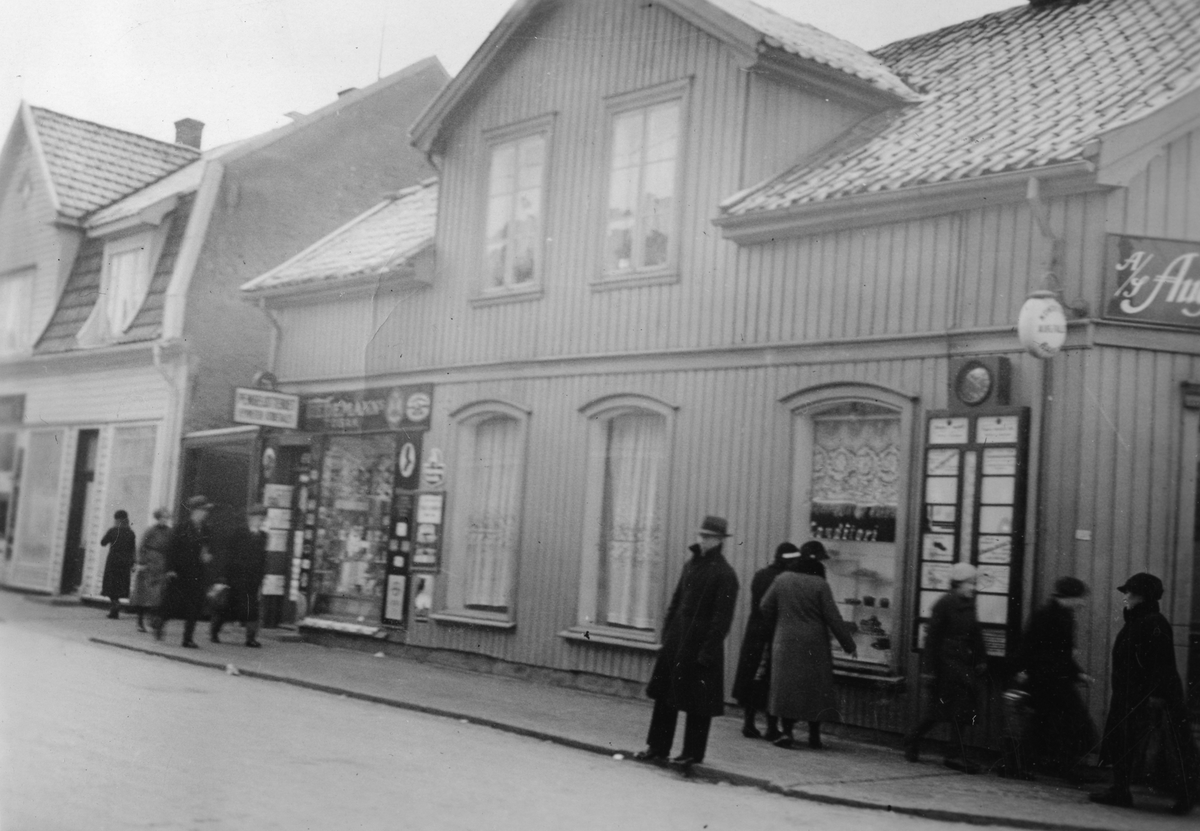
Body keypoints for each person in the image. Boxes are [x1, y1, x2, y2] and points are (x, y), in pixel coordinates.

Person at [635, 515, 740, 768]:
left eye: (708, 537)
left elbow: (721, 620)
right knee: (665, 697)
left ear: (719, 541)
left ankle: (692, 753)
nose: (703, 540)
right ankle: (657, 748)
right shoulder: (690, 565)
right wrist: (667, 634)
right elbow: (676, 601)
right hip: (677, 641)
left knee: (698, 703)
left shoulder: (725, 574)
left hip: (702, 646)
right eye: (701, 535)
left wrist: (706, 652)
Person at [1090, 573, 1199, 815]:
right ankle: (1120, 791)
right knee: (1124, 743)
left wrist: (1156, 696)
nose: (1125, 597)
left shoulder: (1153, 623)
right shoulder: (1140, 621)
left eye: (1130, 593)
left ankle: (1185, 797)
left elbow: (1161, 665)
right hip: (1131, 696)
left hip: (1146, 698)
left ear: (1143, 596)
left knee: (1167, 750)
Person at [760, 539, 856, 749]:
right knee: (815, 690)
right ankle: (814, 736)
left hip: (784, 641)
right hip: (814, 644)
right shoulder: (820, 585)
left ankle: (787, 733)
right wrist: (848, 644)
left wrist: (780, 623)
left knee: (786, 688)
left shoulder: (782, 579)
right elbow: (834, 618)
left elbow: (765, 606)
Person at [904, 561, 988, 773]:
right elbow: (931, 639)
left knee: (960, 709)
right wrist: (928, 670)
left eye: (974, 583)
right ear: (958, 583)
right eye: (970, 583)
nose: (973, 587)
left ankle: (952, 754)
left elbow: (976, 633)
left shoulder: (969, 603)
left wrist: (981, 659)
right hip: (945, 664)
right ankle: (916, 740)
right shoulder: (944, 604)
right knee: (940, 711)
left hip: (962, 662)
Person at [1013, 576, 1096, 780]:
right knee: (1071, 722)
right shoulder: (1047, 616)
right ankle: (1061, 768)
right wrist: (1022, 671)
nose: (1083, 602)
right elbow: (1029, 646)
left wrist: (1078, 673)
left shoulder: (1062, 615)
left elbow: (1063, 653)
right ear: (1070, 597)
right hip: (1046, 680)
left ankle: (1027, 766)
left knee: (1045, 723)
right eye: (1081, 598)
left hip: (1054, 679)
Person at [731, 542, 797, 740]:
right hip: (774, 633)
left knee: (752, 676)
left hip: (754, 632)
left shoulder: (760, 575)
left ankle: (749, 723)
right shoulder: (785, 580)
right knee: (772, 679)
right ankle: (771, 726)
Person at [155, 495, 212, 648]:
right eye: (202, 510)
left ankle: (188, 639)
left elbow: (207, 549)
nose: (205, 513)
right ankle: (160, 622)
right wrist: (170, 569)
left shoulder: (206, 529)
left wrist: (207, 556)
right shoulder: (181, 528)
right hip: (180, 573)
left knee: (194, 606)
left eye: (206, 511)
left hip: (197, 573)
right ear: (194, 511)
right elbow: (171, 550)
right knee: (173, 604)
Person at [209, 505, 268, 647]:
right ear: (251, 518)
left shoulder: (263, 536)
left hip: (252, 580)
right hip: (236, 577)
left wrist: (261, 576)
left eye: (262, 519)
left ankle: (250, 638)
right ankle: (214, 632)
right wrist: (224, 576)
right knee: (227, 607)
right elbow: (229, 554)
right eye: (258, 518)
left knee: (251, 608)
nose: (260, 521)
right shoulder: (239, 533)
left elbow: (262, 558)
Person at [129, 508, 172, 632]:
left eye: (166, 518)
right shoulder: (151, 531)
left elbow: (172, 548)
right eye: (162, 517)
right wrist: (141, 562)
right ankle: (140, 622)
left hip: (162, 565)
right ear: (158, 518)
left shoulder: (170, 532)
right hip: (148, 564)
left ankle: (153, 622)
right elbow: (142, 546)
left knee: (157, 596)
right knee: (143, 595)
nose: (164, 520)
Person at [99, 510, 136, 619]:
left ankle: (115, 605)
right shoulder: (131, 533)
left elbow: (103, 542)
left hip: (113, 561)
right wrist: (133, 562)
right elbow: (133, 549)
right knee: (120, 586)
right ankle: (114, 611)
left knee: (110, 585)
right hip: (125, 563)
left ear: (116, 519)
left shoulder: (113, 531)